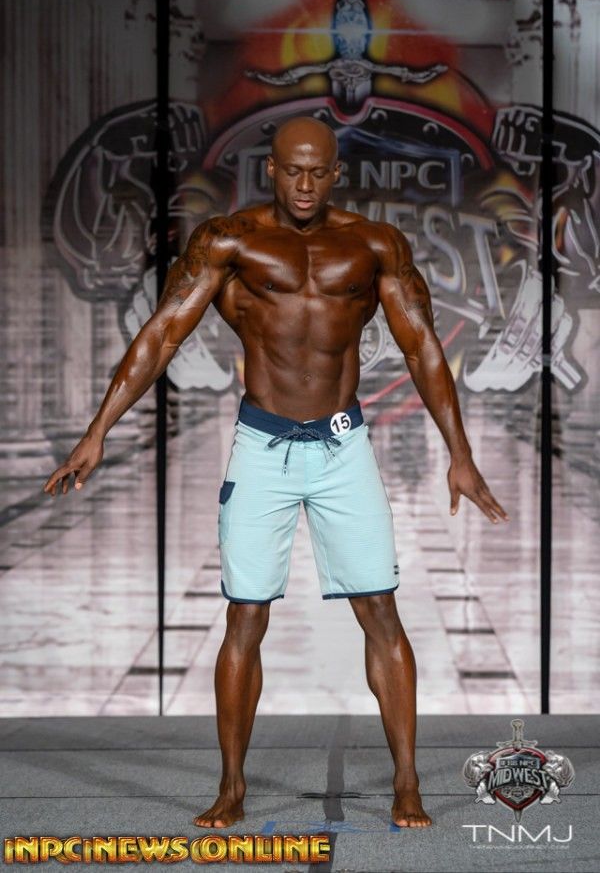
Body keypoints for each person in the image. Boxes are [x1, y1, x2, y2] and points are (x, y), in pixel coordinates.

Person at [44, 116, 509, 830]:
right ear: (270, 169)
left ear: (335, 173)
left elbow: (421, 347)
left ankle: (407, 782)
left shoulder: (375, 244)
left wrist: (461, 453)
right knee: (245, 615)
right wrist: (97, 431)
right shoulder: (228, 241)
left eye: (317, 172)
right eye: (292, 170)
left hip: (342, 447)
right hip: (262, 447)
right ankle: (231, 786)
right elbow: (162, 333)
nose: (304, 184)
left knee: (380, 610)